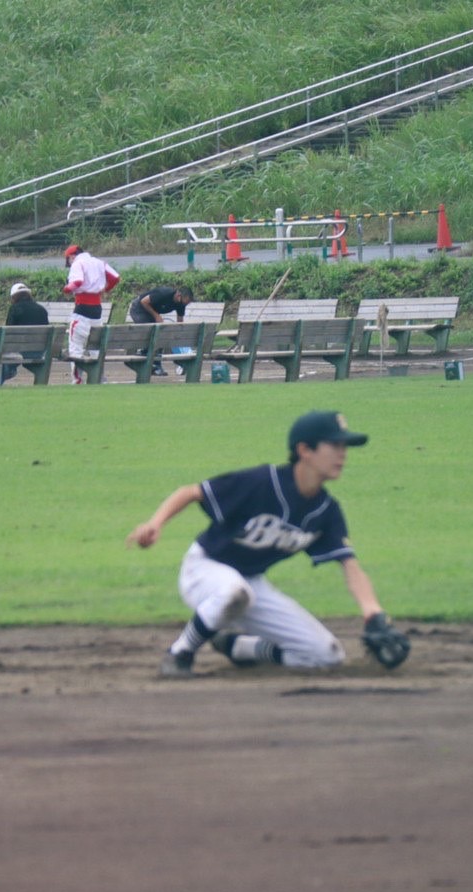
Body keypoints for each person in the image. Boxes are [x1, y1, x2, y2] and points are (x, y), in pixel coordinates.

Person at [126, 410, 399, 678]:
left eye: (345, 446)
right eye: (335, 445)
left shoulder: (326, 511)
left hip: (251, 585)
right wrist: (155, 524)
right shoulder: (262, 482)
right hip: (203, 570)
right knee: (234, 590)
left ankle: (239, 648)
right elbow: (192, 492)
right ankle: (180, 653)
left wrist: (372, 613)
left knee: (326, 655)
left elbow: (349, 565)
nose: (343, 454)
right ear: (305, 450)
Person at [62, 244, 120, 384]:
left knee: (76, 346)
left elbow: (77, 281)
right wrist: (106, 289)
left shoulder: (78, 263)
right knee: (94, 346)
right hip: (97, 309)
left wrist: (66, 289)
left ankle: (77, 380)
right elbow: (115, 277)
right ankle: (99, 377)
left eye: (68, 260)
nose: (69, 263)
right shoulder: (99, 262)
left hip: (82, 308)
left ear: (72, 256)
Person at [127, 285, 194, 376]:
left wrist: (178, 336)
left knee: (161, 335)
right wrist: (156, 316)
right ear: (179, 295)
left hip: (151, 310)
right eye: (187, 300)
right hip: (139, 308)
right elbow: (144, 302)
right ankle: (142, 354)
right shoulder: (164, 293)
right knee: (149, 332)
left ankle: (156, 364)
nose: (187, 303)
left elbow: (180, 323)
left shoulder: (181, 304)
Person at [0, 281, 49, 384]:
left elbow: (9, 332)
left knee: (3, 363)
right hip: (39, 352)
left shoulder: (15, 309)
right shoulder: (42, 309)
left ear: (14, 297)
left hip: (20, 351)